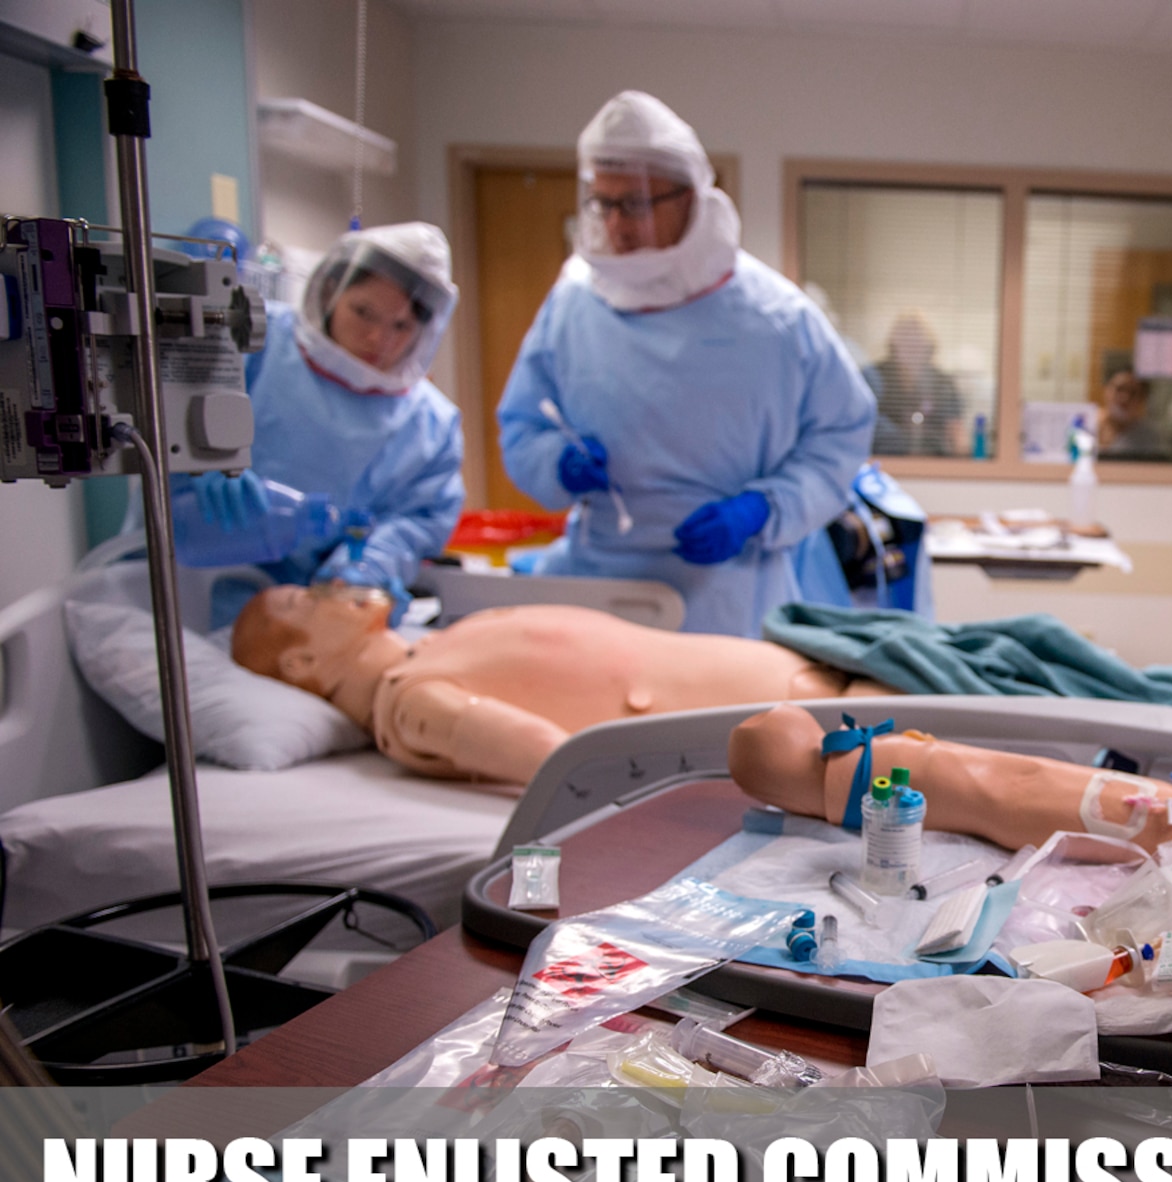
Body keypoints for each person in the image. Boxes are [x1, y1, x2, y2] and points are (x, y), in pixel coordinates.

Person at [497, 91, 875, 637]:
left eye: (638, 203)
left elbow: (841, 436)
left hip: (728, 590)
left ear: (693, 197)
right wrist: (556, 462)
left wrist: (762, 509)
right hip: (599, 578)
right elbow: (522, 424)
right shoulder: (575, 301)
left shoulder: (775, 317)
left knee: (717, 721)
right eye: (604, 204)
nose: (619, 225)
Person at [230, 583, 896, 785]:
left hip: (826, 677)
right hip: (826, 721)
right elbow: (561, 762)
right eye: (296, 601)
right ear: (299, 666)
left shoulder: (432, 646)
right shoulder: (411, 704)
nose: (325, 587)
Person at [179, 223, 464, 624]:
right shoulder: (251, 344)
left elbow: (418, 520)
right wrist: (200, 463)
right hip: (196, 585)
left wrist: (362, 570)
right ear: (330, 291)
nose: (377, 337)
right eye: (363, 312)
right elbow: (171, 414)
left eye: (401, 326)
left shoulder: (431, 424)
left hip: (319, 610)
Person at [729, 703, 1172, 873]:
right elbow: (1005, 790)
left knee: (1081, 795)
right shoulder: (863, 763)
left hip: (993, 794)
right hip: (1011, 797)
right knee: (1128, 809)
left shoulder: (848, 770)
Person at [865, 312, 965, 457]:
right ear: (893, 343)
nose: (911, 344)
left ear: (929, 344)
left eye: (917, 338)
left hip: (935, 462)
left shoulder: (943, 383)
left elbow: (956, 431)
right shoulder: (873, 377)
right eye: (905, 338)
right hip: (884, 460)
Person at [1096, 368, 1172, 461]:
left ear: (1142, 400)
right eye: (1120, 389)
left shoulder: (1150, 436)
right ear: (1106, 390)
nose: (1125, 397)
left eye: (1133, 393)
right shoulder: (1086, 426)